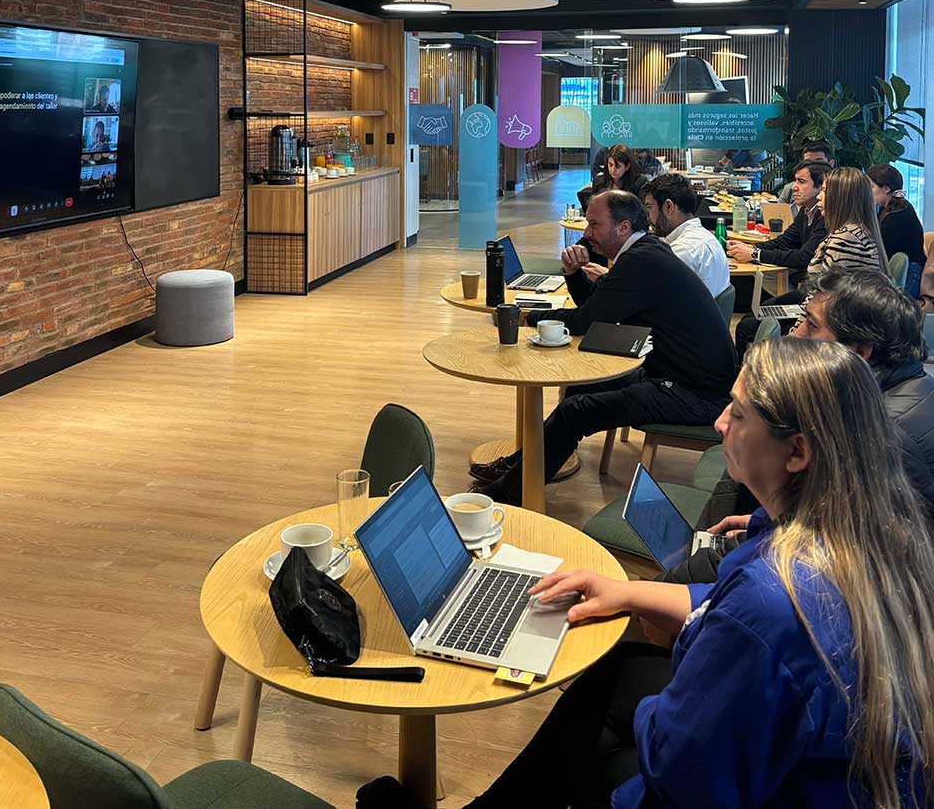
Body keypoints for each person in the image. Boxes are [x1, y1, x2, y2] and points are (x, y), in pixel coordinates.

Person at [360, 337, 934, 809]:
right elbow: (721, 606)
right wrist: (627, 593)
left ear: (798, 452)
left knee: (615, 711)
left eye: (738, 413)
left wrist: (663, 707)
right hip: (843, 773)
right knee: (619, 668)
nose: (719, 422)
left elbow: (680, 773)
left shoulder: (771, 603)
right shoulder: (871, 530)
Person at [668, 266, 934, 585]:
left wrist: (668, 584)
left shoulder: (878, 436)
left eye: (812, 325)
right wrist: (765, 523)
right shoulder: (908, 387)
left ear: (859, 353)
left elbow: (822, 549)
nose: (795, 335)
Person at [470, 191, 737, 505]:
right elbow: (597, 310)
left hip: (695, 394)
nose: (586, 233)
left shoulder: (639, 262)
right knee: (580, 389)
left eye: (594, 224)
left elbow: (584, 321)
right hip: (683, 377)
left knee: (574, 411)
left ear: (623, 227)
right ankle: (521, 468)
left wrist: (527, 316)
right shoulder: (646, 252)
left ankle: (509, 493)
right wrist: (573, 274)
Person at [729, 161, 827, 359]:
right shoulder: (805, 211)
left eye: (801, 182)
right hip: (809, 293)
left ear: (820, 188)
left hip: (816, 300)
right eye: (795, 181)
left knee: (749, 324)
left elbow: (803, 258)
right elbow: (785, 241)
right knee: (751, 316)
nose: (794, 187)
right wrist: (752, 249)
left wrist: (755, 255)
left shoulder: (825, 219)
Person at [643, 172, 730, 298]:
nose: (648, 217)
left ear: (668, 207)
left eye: (649, 208)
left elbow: (649, 296)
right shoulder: (708, 238)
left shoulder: (683, 251)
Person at [806, 166, 889, 277]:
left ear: (840, 198)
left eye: (824, 191)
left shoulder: (845, 240)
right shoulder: (855, 233)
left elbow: (827, 286)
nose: (818, 197)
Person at [868, 163, 926, 294]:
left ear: (886, 189)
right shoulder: (891, 208)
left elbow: (881, 251)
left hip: (909, 274)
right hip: (905, 271)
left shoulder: (898, 214)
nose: (868, 192)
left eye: (871, 187)